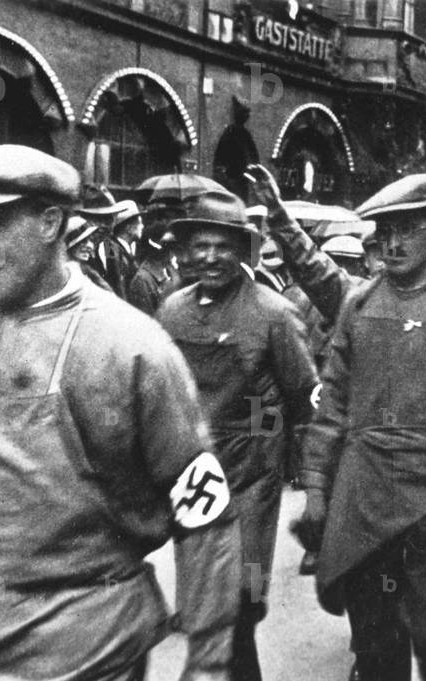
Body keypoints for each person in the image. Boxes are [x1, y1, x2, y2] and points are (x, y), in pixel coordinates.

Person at [0, 144, 240, 680]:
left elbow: (204, 515)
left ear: (50, 222)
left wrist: (207, 662)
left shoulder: (129, 346)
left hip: (88, 640)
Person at [283, 174, 426, 681]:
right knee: (373, 638)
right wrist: (319, 491)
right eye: (384, 231)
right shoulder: (359, 305)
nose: (391, 243)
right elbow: (333, 406)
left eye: (406, 230)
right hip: (366, 492)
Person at [156, 189, 319, 681]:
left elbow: (304, 398)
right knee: (204, 605)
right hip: (194, 478)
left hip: (251, 482)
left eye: (223, 246)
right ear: (185, 251)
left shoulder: (273, 313)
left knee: (242, 603)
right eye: (200, 246)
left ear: (243, 252)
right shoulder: (172, 311)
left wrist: (305, 478)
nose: (210, 257)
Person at [64, 215, 114, 293]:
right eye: (83, 241)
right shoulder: (61, 274)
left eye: (90, 240)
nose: (90, 246)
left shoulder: (88, 271)